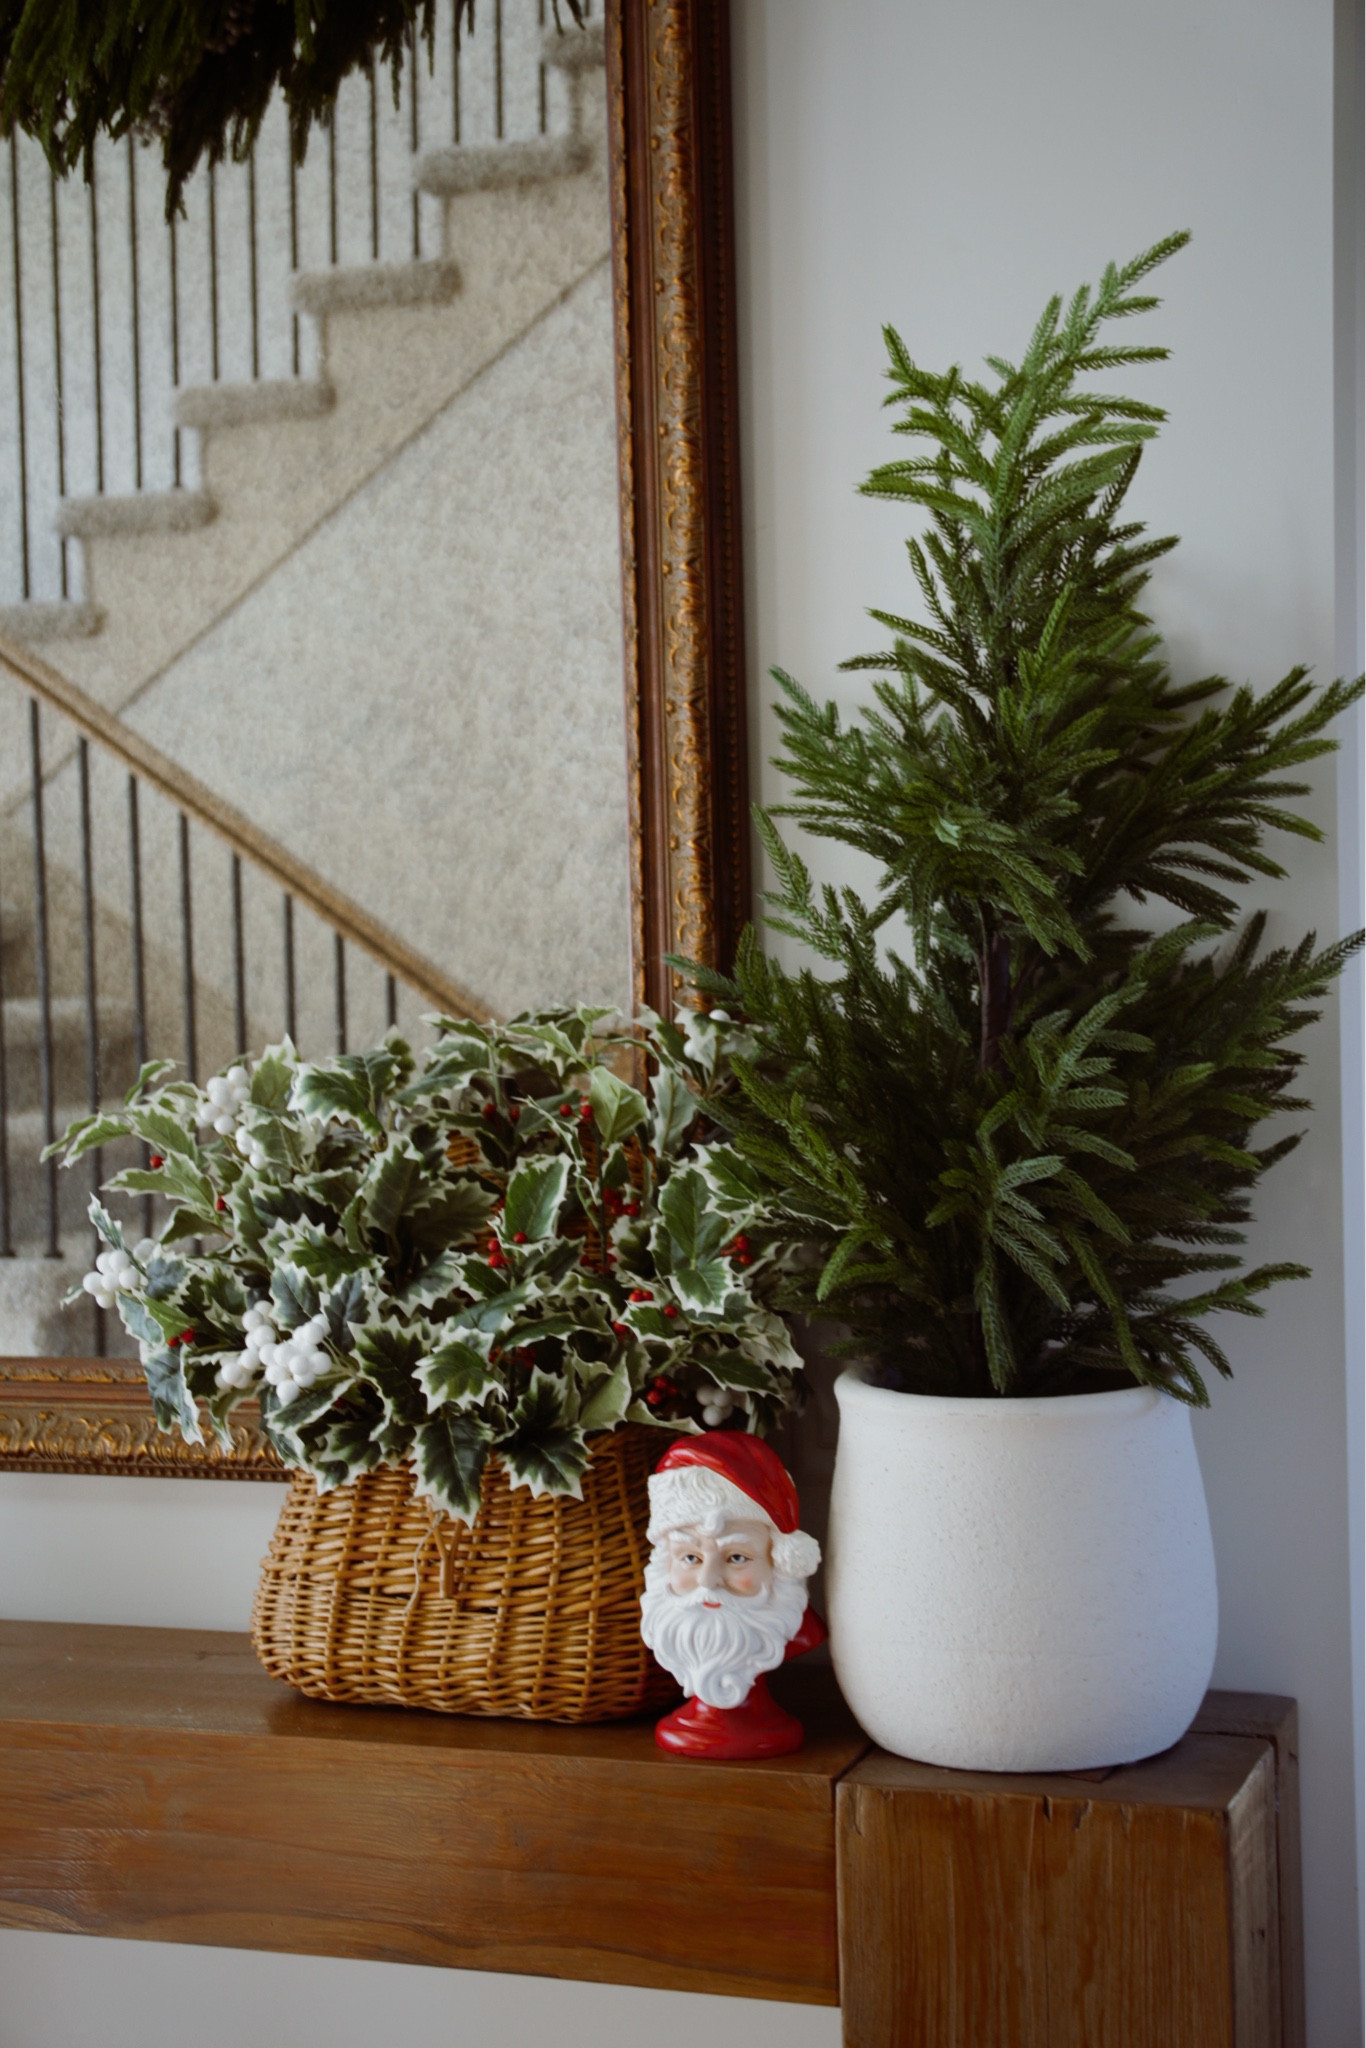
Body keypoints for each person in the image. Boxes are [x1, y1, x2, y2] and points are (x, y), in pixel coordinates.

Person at [639, 1433, 826, 1758]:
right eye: (690, 1558)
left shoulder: (791, 1622)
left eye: (736, 1557)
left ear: (779, 1560)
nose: (709, 1581)